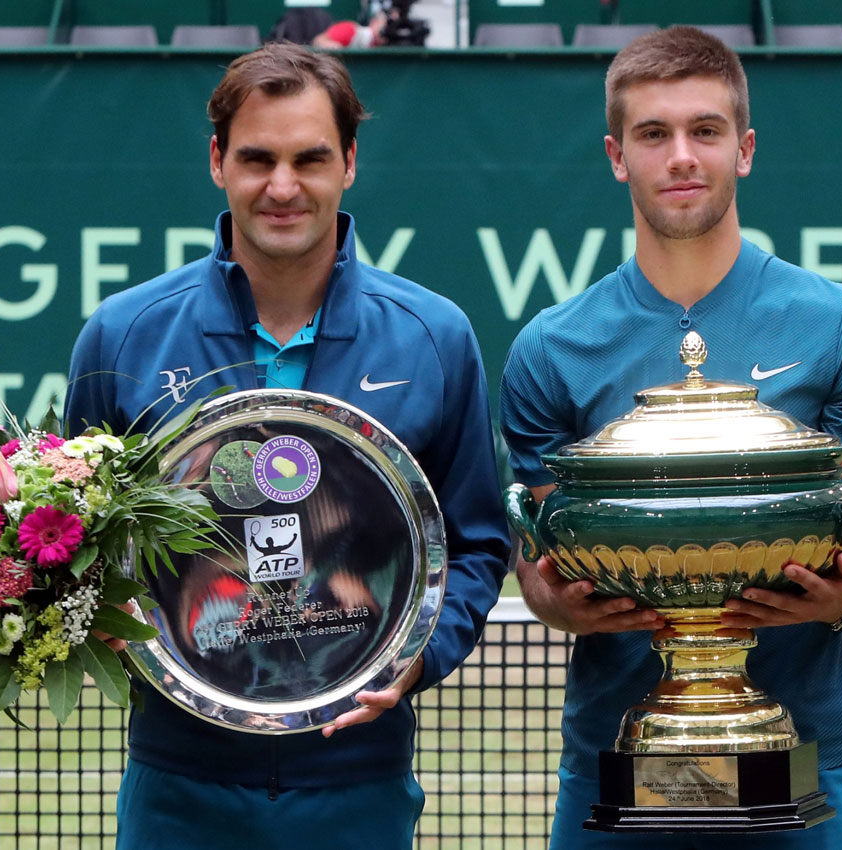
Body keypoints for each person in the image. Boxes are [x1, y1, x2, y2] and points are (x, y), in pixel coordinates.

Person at [65, 42, 509, 850]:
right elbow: (74, 539)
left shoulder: (435, 337)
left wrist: (417, 658)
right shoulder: (121, 334)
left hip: (359, 780)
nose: (281, 186)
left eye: (309, 158)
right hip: (176, 784)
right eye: (257, 158)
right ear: (216, 161)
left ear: (348, 163)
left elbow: (476, 542)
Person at [499, 26, 842, 850]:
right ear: (618, 156)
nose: (681, 156)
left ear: (744, 149)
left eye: (705, 131)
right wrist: (560, 603)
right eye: (654, 134)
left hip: (806, 759)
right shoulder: (550, 346)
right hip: (615, 765)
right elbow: (539, 560)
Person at [312, 13, 387, 49]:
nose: (383, 31)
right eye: (382, 26)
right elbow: (318, 40)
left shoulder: (381, 45)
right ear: (374, 22)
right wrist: (339, 49)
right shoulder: (350, 29)